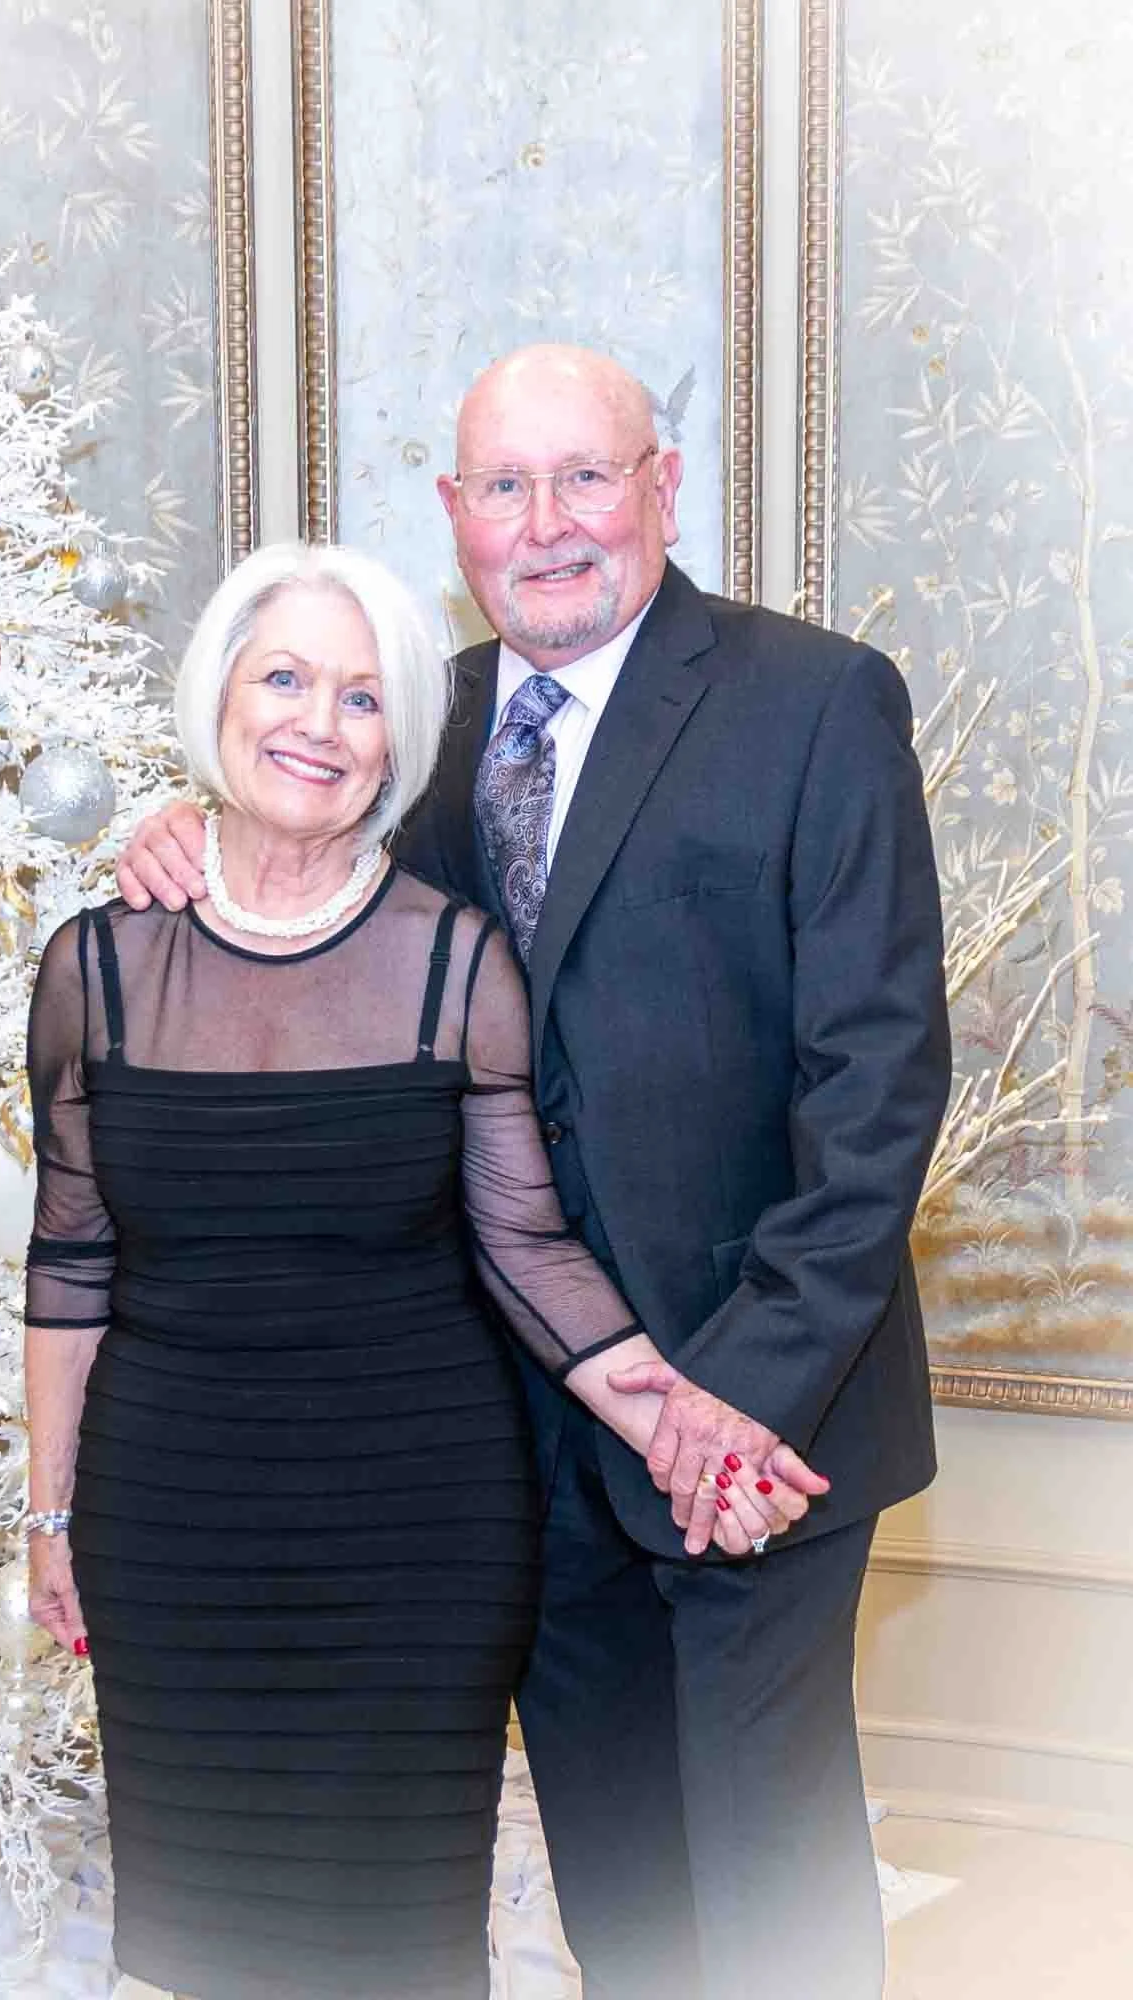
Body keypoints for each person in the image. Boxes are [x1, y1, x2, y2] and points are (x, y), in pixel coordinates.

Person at [117, 345, 952, 2000]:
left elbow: (875, 1092)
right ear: (455, 514)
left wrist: (734, 1401)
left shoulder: (813, 699)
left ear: (661, 484)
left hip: (752, 1424)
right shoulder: (420, 727)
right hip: (518, 1435)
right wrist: (180, 831)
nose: (548, 524)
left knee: (772, 1903)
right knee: (623, 1896)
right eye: (506, 487)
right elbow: (303, 893)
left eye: (588, 477)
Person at [23, 538, 821, 2000]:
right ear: (218, 701)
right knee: (206, 1929)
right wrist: (46, 1516)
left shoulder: (454, 963)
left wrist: (671, 1413)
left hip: (414, 1529)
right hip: (174, 1523)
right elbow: (69, 1255)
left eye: (360, 697)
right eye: (283, 680)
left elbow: (524, 1244)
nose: (316, 725)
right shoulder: (98, 966)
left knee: (394, 1943)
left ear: (402, 738)